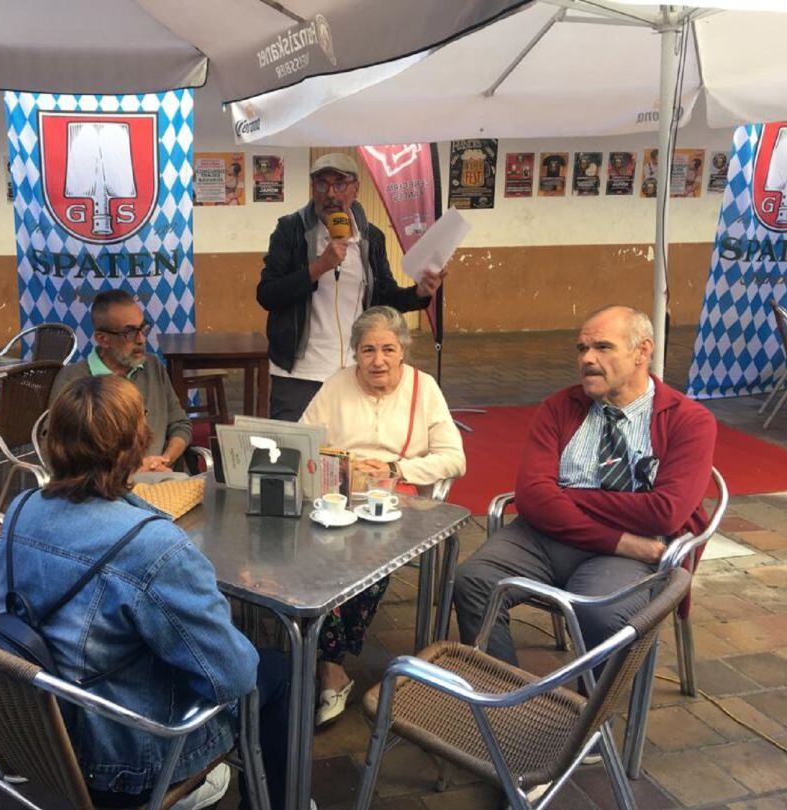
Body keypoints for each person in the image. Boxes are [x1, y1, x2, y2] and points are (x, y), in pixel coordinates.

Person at [0, 375, 291, 808]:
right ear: (138, 442)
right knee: (278, 671)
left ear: (54, 440)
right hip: (128, 757)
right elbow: (234, 676)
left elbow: (8, 606)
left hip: (38, 726)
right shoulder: (152, 546)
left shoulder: (20, 509)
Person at [454, 306, 715, 666]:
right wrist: (623, 541)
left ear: (642, 351)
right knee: (475, 580)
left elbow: (664, 513)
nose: (587, 359)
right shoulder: (560, 407)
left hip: (618, 554)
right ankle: (499, 695)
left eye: (603, 348)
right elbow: (533, 497)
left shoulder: (690, 421)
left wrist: (566, 496)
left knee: (601, 614)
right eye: (582, 349)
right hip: (582, 539)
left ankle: (585, 715)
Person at [300, 306, 466, 724]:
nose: (378, 360)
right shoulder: (337, 385)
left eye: (388, 349)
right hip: (338, 495)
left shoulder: (423, 388)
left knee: (362, 562)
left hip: (398, 500)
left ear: (403, 352)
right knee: (319, 561)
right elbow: (304, 440)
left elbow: (454, 458)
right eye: (367, 349)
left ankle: (327, 665)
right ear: (355, 352)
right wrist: (338, 465)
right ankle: (329, 664)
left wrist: (396, 469)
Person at [257, 152, 445, 421]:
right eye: (322, 185)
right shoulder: (290, 230)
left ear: (356, 189)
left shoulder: (371, 237)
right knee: (293, 454)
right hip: (299, 371)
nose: (331, 193)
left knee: (349, 453)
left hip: (354, 367)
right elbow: (267, 294)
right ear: (313, 189)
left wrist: (419, 293)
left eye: (340, 184)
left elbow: (383, 298)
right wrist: (320, 266)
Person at [50, 289, 192, 473]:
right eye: (129, 332)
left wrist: (165, 459)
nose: (141, 339)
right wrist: (132, 470)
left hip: (159, 480)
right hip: (101, 489)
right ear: (103, 339)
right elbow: (59, 451)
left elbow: (180, 425)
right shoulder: (73, 380)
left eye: (143, 328)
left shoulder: (152, 366)